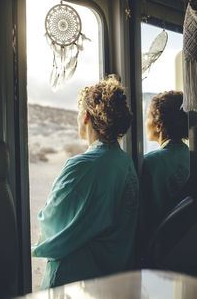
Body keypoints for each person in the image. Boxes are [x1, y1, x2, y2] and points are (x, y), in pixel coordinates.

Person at [32, 78, 139, 289]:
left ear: (87, 116)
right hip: (112, 279)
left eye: (79, 111)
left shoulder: (82, 166)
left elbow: (51, 222)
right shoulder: (125, 162)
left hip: (73, 282)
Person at [141, 91, 189, 244]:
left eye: (147, 117)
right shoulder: (191, 156)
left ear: (159, 125)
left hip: (159, 244)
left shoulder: (149, 163)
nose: (145, 122)